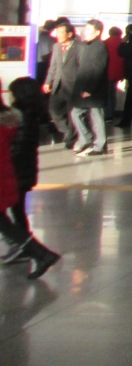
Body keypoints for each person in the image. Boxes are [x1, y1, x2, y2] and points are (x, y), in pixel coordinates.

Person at [0, 79, 60, 278]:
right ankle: (34, 252)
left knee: (9, 218)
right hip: (17, 173)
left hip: (14, 173)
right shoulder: (24, 116)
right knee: (11, 217)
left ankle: (36, 252)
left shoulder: (18, 118)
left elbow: (15, 149)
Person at [71, 20, 110, 157]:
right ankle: (86, 139)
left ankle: (99, 145)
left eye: (88, 30)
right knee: (76, 113)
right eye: (85, 29)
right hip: (84, 87)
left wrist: (90, 89)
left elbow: (98, 69)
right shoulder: (87, 46)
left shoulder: (99, 47)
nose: (84, 32)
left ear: (97, 32)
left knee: (96, 116)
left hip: (94, 89)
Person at [44, 17, 78, 147]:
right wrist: (48, 81)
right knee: (54, 110)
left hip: (73, 85)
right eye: (56, 32)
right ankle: (67, 131)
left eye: (60, 32)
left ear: (69, 34)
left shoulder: (78, 47)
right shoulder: (56, 47)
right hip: (58, 85)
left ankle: (70, 138)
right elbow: (53, 66)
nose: (57, 35)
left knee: (72, 113)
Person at [104, 25, 125, 121]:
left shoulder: (105, 43)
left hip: (107, 72)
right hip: (119, 72)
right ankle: (112, 113)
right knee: (113, 93)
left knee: (107, 94)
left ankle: (108, 115)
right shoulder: (123, 43)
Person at [35, 20, 54, 87]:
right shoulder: (51, 39)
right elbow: (52, 53)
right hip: (44, 64)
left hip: (35, 63)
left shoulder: (36, 36)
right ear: (53, 28)